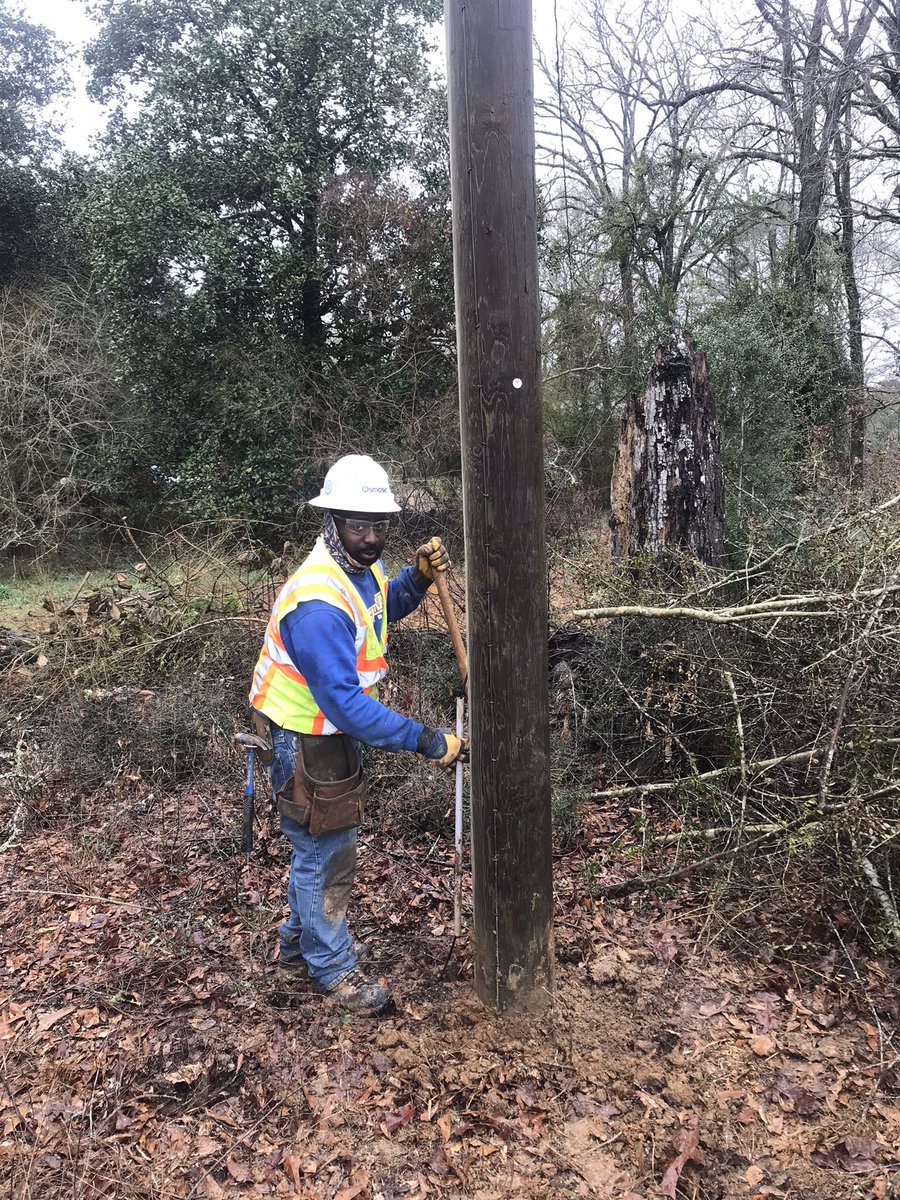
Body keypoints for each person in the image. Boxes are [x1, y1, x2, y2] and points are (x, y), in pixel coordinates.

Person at [248, 454, 468, 1016]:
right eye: (359, 525)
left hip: (321, 731)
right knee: (325, 850)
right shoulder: (317, 604)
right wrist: (425, 739)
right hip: (302, 736)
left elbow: (378, 609)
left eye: (379, 526)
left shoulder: (354, 567)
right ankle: (331, 968)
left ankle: (300, 946)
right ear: (333, 521)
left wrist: (416, 579)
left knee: (317, 846)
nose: (371, 538)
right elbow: (345, 704)